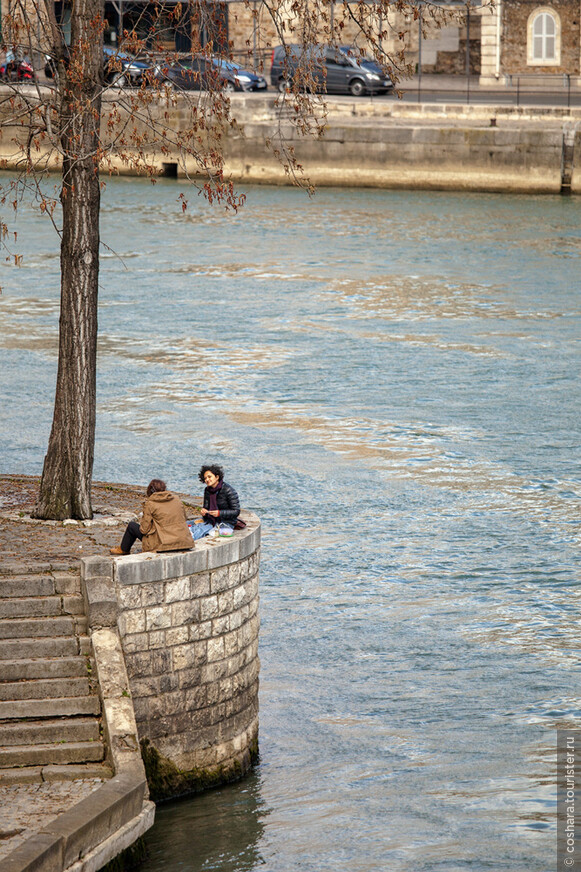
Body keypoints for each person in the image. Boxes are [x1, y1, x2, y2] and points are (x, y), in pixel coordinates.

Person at [110, 479, 193, 555]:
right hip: (183, 542)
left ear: (150, 490)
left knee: (132, 526)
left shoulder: (150, 503)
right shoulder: (177, 499)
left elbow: (144, 529)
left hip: (163, 544)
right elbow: (184, 518)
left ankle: (123, 549)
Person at [189, 464, 240, 540]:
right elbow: (206, 509)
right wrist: (204, 512)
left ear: (217, 477)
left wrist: (219, 513)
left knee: (201, 530)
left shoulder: (228, 490)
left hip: (225, 522)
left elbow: (236, 511)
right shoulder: (207, 490)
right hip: (210, 520)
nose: (207, 480)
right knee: (187, 524)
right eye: (205, 478)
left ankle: (190, 541)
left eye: (209, 477)